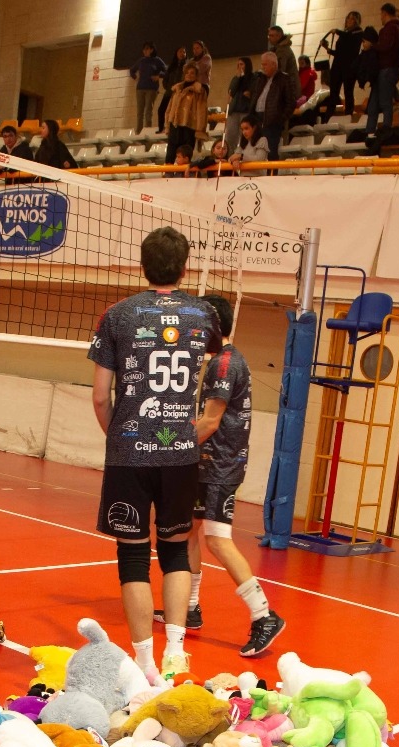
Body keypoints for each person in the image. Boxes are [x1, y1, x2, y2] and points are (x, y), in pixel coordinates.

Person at [89, 227, 217, 680]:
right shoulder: (205, 314)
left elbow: (100, 396)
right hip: (181, 452)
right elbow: (214, 366)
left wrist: (119, 437)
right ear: (185, 268)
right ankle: (175, 652)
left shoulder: (117, 315)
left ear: (142, 266)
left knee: (133, 555)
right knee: (176, 550)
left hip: (129, 452)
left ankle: (144, 664)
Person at [182, 293, 286, 657]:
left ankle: (264, 615)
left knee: (217, 540)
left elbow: (211, 421)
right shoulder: (222, 360)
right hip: (208, 463)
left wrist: (171, 446)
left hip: (220, 466)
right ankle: (189, 608)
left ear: (212, 326)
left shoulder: (224, 365)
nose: (193, 332)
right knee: (188, 531)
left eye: (198, 325)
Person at [367, 3, 399, 134]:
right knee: (374, 104)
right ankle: (371, 132)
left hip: (387, 68)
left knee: (384, 103)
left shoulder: (390, 28)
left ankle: (384, 131)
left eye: (381, 15)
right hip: (388, 69)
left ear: (385, 14)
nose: (380, 18)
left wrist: (372, 45)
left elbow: (385, 46)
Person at [321, 11, 364, 120]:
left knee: (348, 92)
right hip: (337, 66)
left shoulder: (358, 32)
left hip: (349, 68)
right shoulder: (345, 33)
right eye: (348, 18)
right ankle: (327, 118)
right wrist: (327, 49)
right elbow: (340, 53)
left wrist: (337, 31)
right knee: (333, 93)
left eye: (352, 18)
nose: (349, 20)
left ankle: (349, 116)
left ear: (356, 21)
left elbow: (349, 40)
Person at [164, 62, 208, 165]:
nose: (189, 75)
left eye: (192, 73)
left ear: (196, 75)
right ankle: (168, 174)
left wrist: (200, 130)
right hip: (174, 126)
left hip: (189, 128)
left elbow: (202, 112)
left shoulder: (200, 91)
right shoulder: (176, 89)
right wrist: (167, 125)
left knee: (185, 157)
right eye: (187, 72)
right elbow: (169, 108)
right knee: (170, 156)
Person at [251, 51, 291, 160]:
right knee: (255, 149)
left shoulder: (284, 78)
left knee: (271, 150)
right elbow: (254, 97)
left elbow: (291, 103)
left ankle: (271, 171)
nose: (262, 67)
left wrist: (279, 119)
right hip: (257, 119)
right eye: (262, 64)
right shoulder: (260, 79)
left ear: (274, 64)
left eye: (265, 64)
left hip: (273, 121)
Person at [130, 43, 168, 133]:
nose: (145, 51)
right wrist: (135, 78)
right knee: (140, 112)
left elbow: (167, 70)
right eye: (144, 49)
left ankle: (147, 131)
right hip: (140, 88)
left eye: (147, 49)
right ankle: (139, 132)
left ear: (152, 50)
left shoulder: (157, 60)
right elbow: (132, 70)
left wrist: (159, 76)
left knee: (148, 111)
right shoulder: (141, 61)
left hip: (151, 88)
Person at [225, 57, 257, 154]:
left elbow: (252, 91)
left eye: (242, 64)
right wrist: (237, 78)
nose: (240, 66)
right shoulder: (236, 78)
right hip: (234, 110)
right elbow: (231, 91)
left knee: (244, 136)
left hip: (245, 110)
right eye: (238, 64)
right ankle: (230, 155)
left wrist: (250, 93)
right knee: (230, 136)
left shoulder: (254, 77)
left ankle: (244, 155)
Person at [157, 46, 189, 133]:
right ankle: (161, 128)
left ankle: (174, 129)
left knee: (175, 111)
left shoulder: (186, 66)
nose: (182, 54)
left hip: (179, 93)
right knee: (161, 110)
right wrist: (167, 87)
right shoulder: (172, 66)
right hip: (169, 92)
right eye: (180, 52)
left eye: (184, 52)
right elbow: (165, 78)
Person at [267, 25, 300, 101]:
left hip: (288, 91)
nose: (269, 38)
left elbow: (279, 70)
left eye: (271, 35)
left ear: (278, 36)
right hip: (288, 89)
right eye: (268, 35)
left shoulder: (282, 50)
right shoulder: (279, 49)